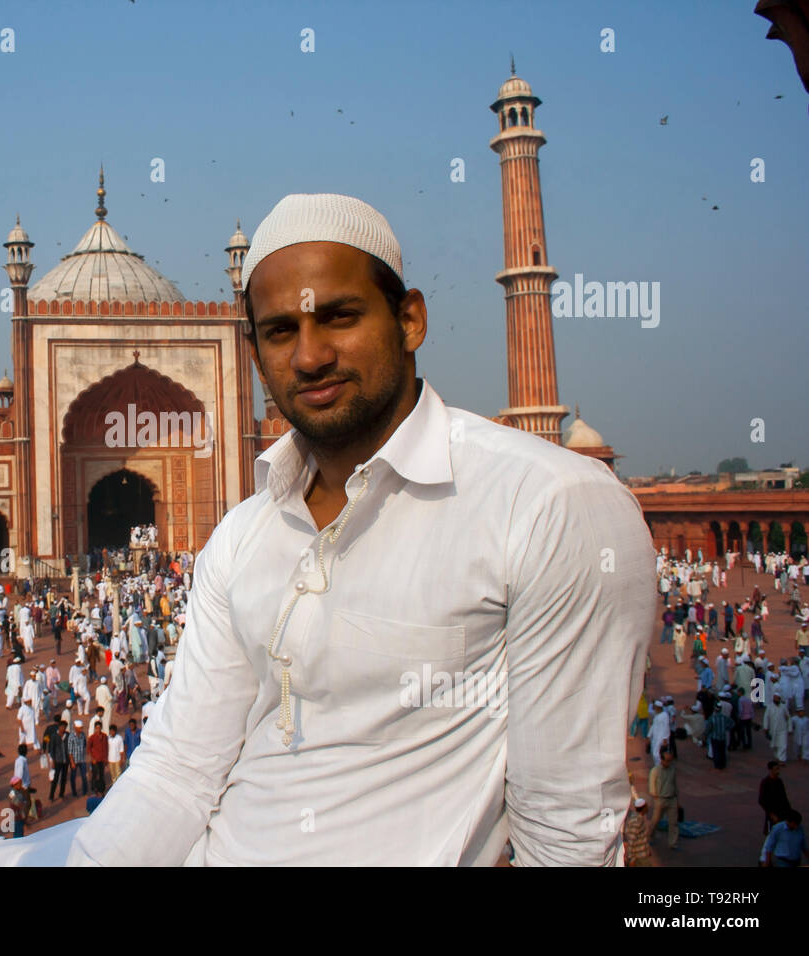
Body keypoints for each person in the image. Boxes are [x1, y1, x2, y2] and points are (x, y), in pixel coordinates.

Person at [54, 194, 655, 867]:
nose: (310, 356)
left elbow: (565, 826)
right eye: (280, 331)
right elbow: (179, 768)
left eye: (338, 317)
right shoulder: (242, 535)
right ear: (253, 356)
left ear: (410, 319)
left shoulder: (547, 503)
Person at [647, 748, 679, 851]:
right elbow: (652, 786)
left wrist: (677, 800)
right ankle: (650, 835)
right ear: (662, 759)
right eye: (667, 760)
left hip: (672, 798)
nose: (669, 763)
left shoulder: (672, 769)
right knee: (655, 821)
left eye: (670, 760)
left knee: (673, 823)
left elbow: (675, 785)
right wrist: (656, 798)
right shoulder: (655, 771)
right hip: (660, 799)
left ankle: (672, 843)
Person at [759, 761, 792, 834]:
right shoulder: (765, 782)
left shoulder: (779, 781)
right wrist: (771, 814)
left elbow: (784, 797)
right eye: (776, 769)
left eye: (778, 769)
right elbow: (762, 800)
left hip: (781, 811)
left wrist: (789, 811)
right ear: (771, 770)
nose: (778, 771)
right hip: (772, 813)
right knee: (770, 832)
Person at [623, 798, 654, 867]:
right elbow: (631, 841)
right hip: (639, 858)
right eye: (646, 806)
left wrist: (647, 850)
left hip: (643, 854)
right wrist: (632, 859)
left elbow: (641, 838)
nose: (648, 807)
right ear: (643, 808)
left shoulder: (638, 818)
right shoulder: (636, 821)